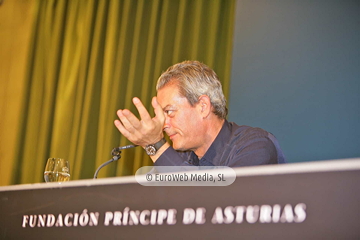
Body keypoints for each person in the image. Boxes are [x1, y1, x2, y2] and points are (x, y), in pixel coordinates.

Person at [114, 60, 286, 167]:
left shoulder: (255, 145)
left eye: (169, 112)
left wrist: (155, 145)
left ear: (203, 106)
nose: (164, 124)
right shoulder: (181, 157)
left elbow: (217, 201)